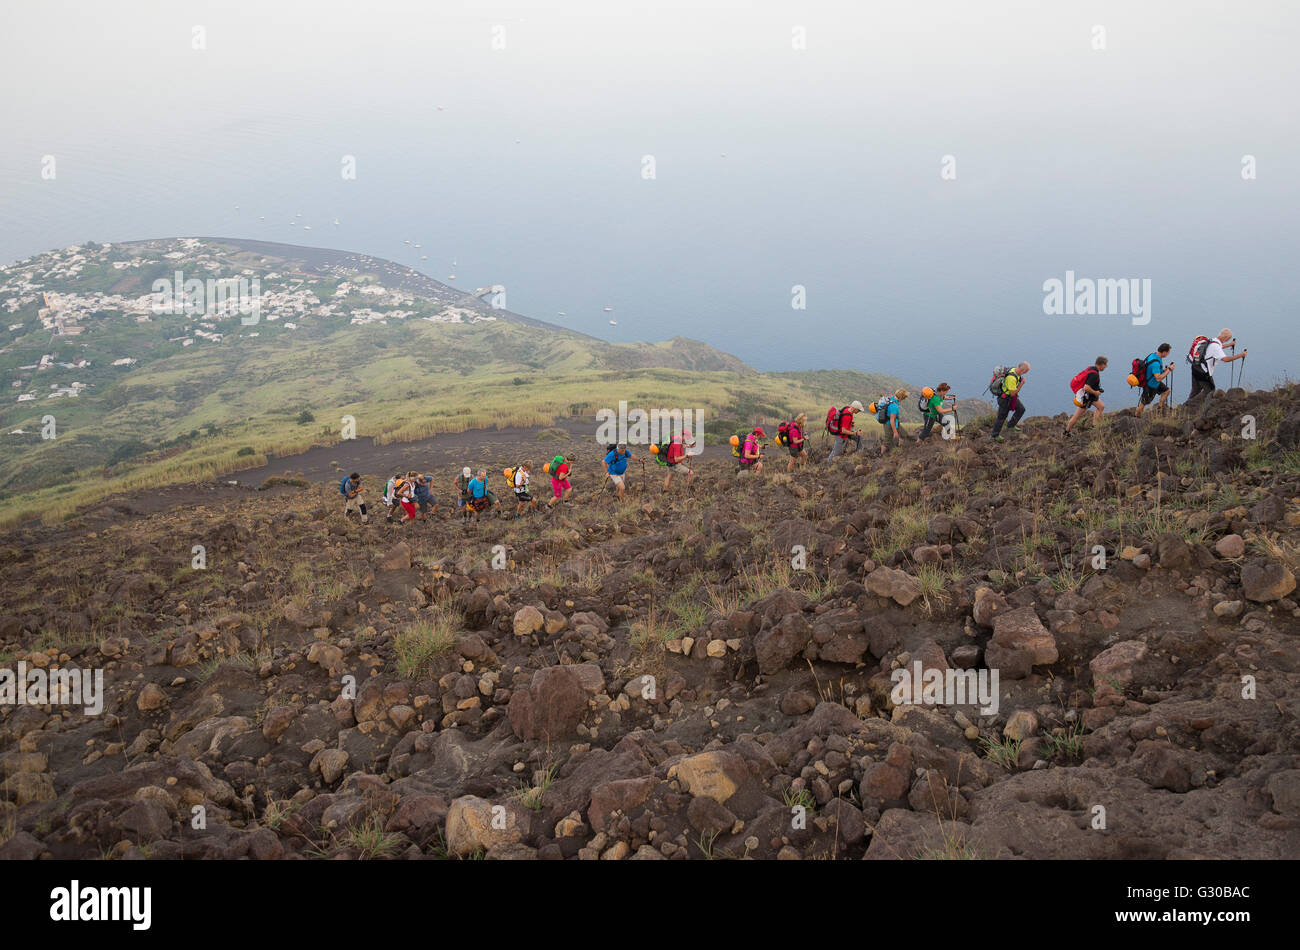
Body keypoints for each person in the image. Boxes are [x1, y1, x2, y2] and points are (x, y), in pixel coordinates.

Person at [1188, 329, 1247, 404]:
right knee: (1210, 391)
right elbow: (1225, 359)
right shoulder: (1216, 346)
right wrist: (1241, 355)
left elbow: (1219, 347)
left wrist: (1230, 344)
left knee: (1195, 390)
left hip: (1195, 367)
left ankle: (1186, 406)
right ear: (1226, 338)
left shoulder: (1212, 340)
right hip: (1203, 372)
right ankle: (1204, 408)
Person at [1065, 357, 1108, 435]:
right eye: (1105, 365)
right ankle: (1067, 432)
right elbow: (1086, 387)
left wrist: (1097, 390)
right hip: (1087, 398)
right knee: (1077, 416)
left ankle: (1096, 426)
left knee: (1101, 407)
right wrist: (1096, 392)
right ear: (1102, 364)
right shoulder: (1094, 374)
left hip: (1090, 396)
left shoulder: (1091, 368)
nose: (1106, 367)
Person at [991, 362, 1030, 442]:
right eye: (1025, 372)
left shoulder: (1014, 370)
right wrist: (1021, 384)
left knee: (1021, 409)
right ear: (1022, 370)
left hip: (1010, 398)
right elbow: (1012, 393)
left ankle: (1011, 425)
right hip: (1005, 399)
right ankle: (995, 435)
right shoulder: (1011, 378)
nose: (1025, 374)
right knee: (1001, 417)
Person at [1134, 344, 1173, 418]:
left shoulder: (1154, 355)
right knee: (1144, 403)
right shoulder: (1155, 363)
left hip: (1154, 382)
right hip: (1150, 385)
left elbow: (1156, 371)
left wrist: (1164, 370)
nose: (1168, 354)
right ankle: (1136, 417)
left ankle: (1159, 408)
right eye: (1168, 352)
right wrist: (1169, 370)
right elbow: (1158, 378)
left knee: (1167, 391)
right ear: (1164, 352)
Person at [878, 389, 907, 453]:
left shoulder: (892, 399)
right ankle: (881, 454)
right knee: (887, 441)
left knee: (904, 434)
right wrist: (895, 432)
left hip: (895, 423)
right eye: (903, 398)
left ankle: (900, 448)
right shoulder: (894, 406)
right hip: (889, 424)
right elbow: (892, 420)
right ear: (901, 397)